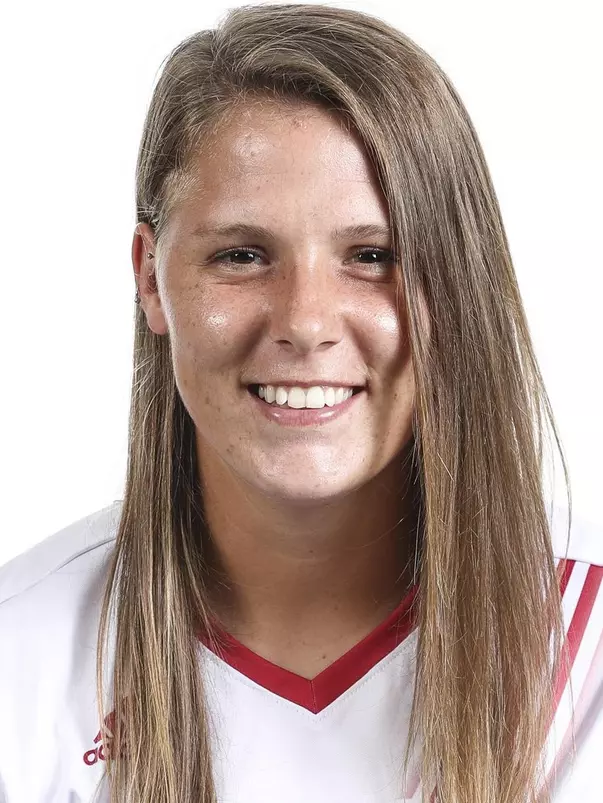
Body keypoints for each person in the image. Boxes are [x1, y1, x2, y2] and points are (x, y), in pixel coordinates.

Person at [0, 4, 601, 802]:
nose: (305, 322)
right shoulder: (22, 661)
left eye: (373, 255)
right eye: (242, 255)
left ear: (453, 285)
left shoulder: (584, 640)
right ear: (149, 276)